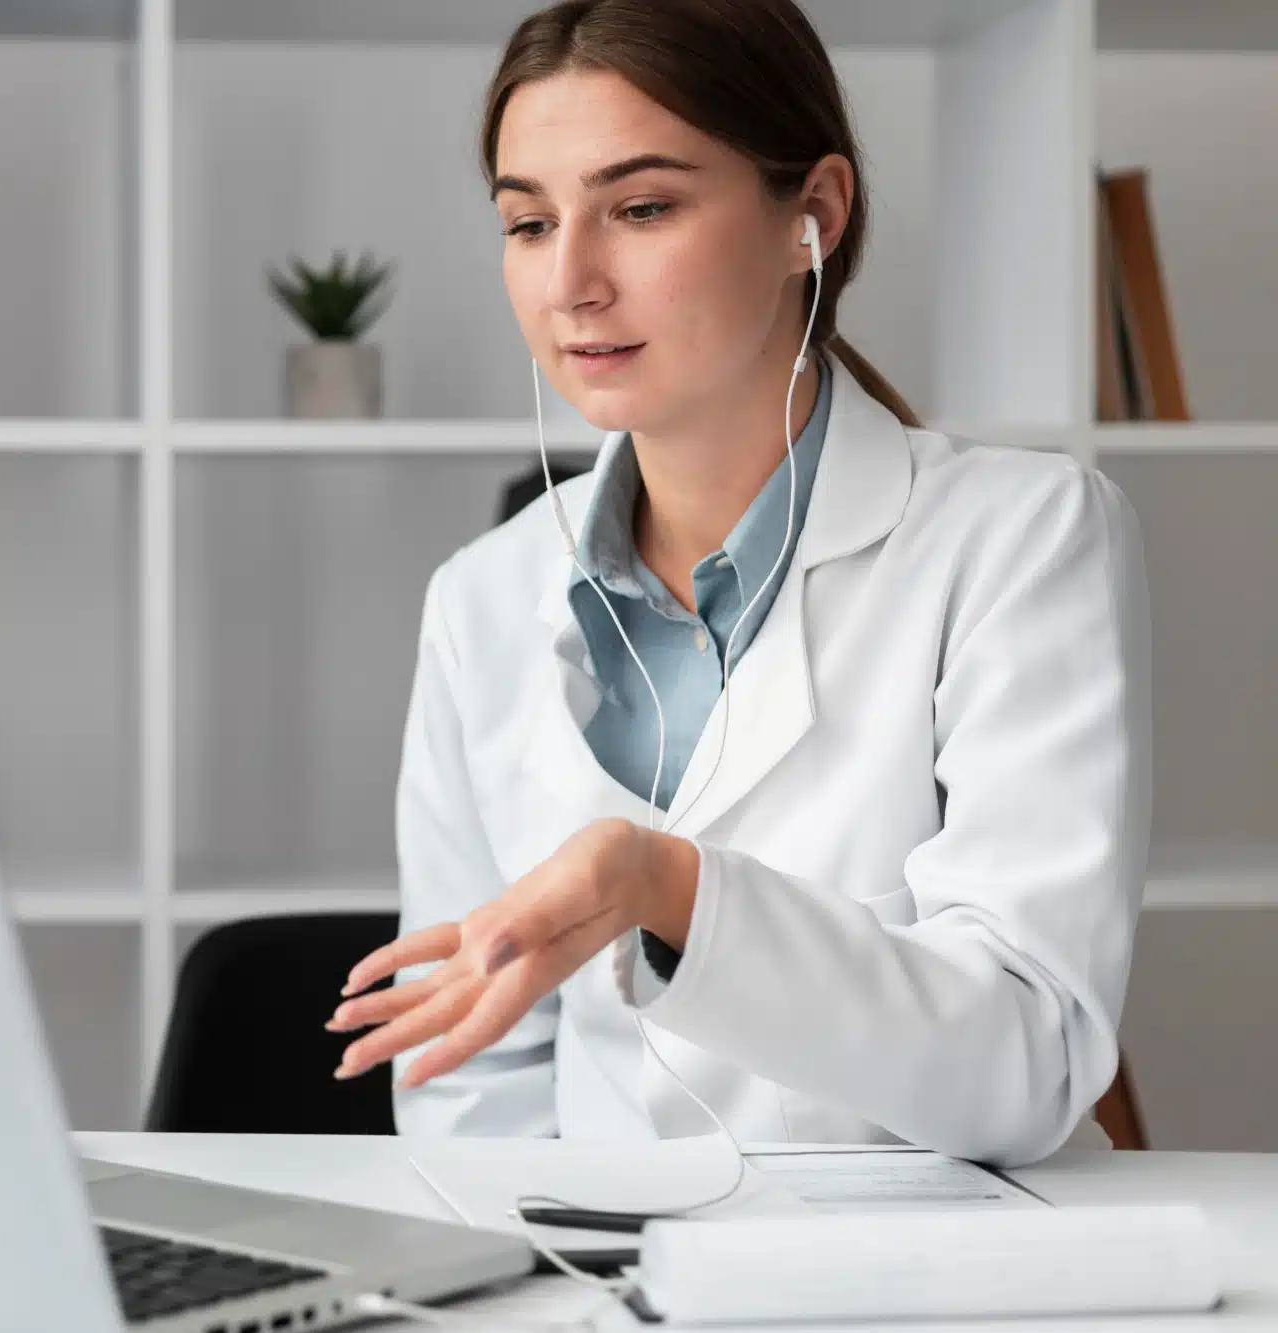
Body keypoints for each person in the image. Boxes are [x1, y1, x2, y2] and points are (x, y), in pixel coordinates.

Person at [323, 0, 1151, 1168]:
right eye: (526, 222)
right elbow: (471, 1079)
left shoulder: (1021, 539)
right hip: (600, 1275)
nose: (569, 283)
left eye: (641, 208)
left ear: (809, 215)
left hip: (929, 1277)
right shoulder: (481, 599)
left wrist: (669, 890)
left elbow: (1025, 1063)